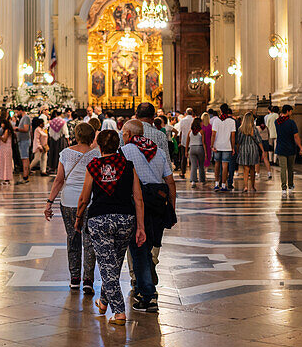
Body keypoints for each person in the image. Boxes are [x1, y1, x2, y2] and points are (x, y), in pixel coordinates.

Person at [75, 129, 146, 324]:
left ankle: (120, 312)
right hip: (125, 219)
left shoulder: (94, 166)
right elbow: (138, 198)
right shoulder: (127, 165)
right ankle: (104, 302)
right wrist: (140, 226)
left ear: (98, 146)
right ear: (118, 145)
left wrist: (79, 217)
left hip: (100, 220)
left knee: (107, 267)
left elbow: (84, 198)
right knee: (112, 265)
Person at [120, 120, 176, 313]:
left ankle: (148, 295)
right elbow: (170, 182)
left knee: (138, 248)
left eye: (123, 133)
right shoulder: (158, 151)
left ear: (128, 134)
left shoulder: (125, 152)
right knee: (149, 244)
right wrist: (172, 207)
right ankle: (148, 273)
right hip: (159, 204)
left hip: (138, 203)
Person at [43, 121, 98, 292]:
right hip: (90, 200)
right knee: (89, 241)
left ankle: (75, 278)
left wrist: (49, 202)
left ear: (76, 135)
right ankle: (88, 280)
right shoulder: (96, 154)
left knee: (72, 238)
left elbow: (59, 180)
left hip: (68, 202)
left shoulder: (66, 153)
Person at [273, 105, 302, 194]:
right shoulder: (291, 123)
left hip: (280, 148)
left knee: (283, 168)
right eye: (291, 111)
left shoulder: (277, 122)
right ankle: (290, 186)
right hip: (290, 148)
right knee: (290, 168)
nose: (291, 113)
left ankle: (283, 188)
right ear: (288, 111)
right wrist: (301, 148)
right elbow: (296, 136)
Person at [235, 113, 267, 193]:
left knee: (246, 169)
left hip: (244, 149)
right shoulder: (254, 129)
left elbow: (239, 141)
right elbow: (259, 140)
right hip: (253, 149)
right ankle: (252, 186)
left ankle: (245, 186)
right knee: (252, 168)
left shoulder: (241, 129)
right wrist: (263, 150)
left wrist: (238, 150)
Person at [210, 104, 237, 192]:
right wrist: (233, 147)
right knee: (225, 166)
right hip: (227, 146)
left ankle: (217, 184)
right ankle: (224, 185)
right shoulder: (231, 121)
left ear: (220, 111)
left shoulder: (216, 121)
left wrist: (212, 145)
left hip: (217, 145)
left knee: (217, 164)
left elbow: (213, 134)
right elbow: (233, 136)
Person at [187, 118, 206, 188]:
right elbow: (203, 143)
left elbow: (187, 142)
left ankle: (193, 181)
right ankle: (202, 180)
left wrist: (186, 151)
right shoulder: (201, 131)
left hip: (192, 149)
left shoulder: (190, 132)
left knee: (193, 165)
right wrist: (206, 152)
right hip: (199, 148)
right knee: (201, 165)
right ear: (199, 123)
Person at [15, 106, 32, 183]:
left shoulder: (26, 118)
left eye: (17, 112)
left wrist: (16, 129)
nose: (16, 114)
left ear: (21, 110)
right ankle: (26, 175)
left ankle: (25, 176)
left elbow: (26, 129)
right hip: (22, 140)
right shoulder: (23, 118)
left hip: (24, 141)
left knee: (24, 158)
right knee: (25, 158)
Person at [0, 115, 15, 185]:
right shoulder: (5, 130)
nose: (1, 125)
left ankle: (6, 178)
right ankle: (4, 177)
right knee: (4, 162)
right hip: (4, 148)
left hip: (6, 148)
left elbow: (4, 139)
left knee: (6, 163)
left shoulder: (7, 131)